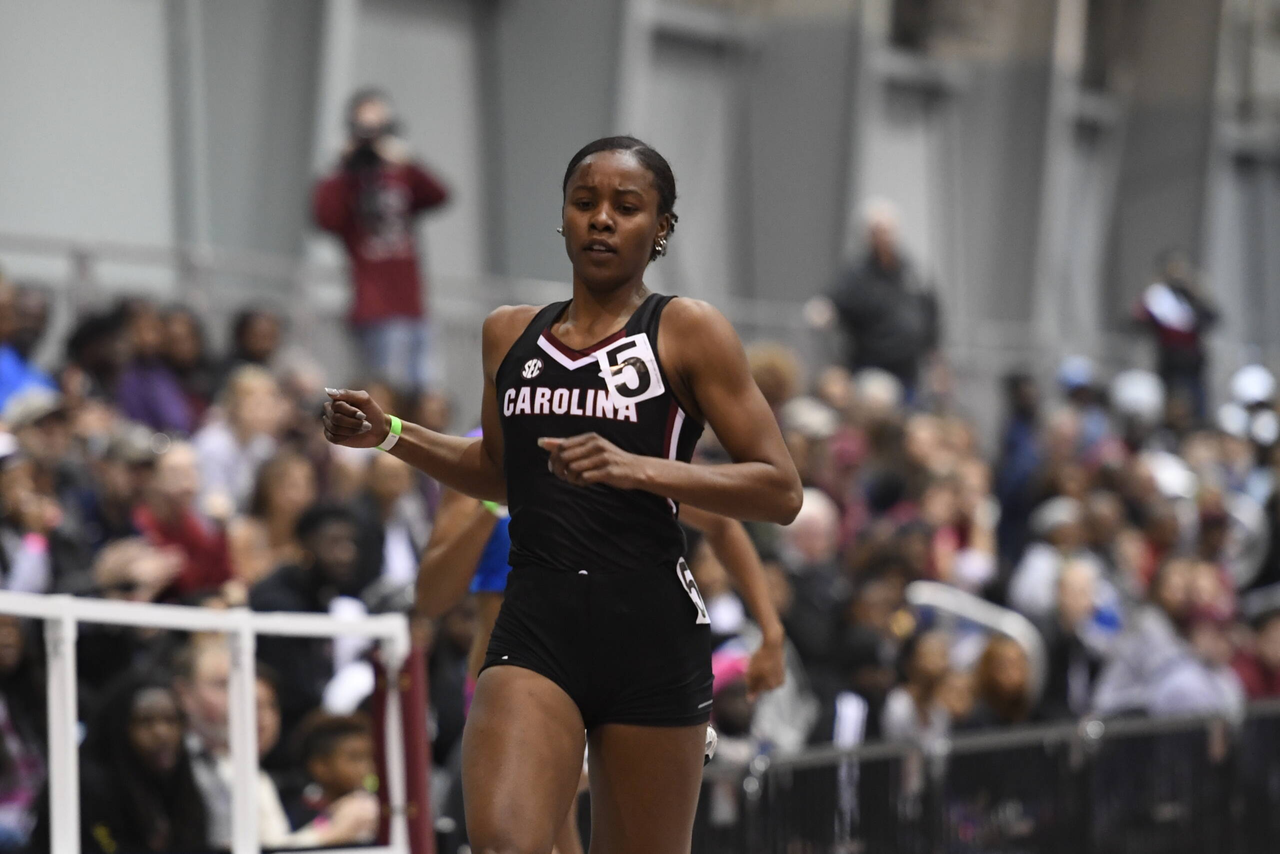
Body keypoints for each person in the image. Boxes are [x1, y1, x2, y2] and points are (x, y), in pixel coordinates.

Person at [323, 135, 801, 854]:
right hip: (537, 620)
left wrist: (638, 469)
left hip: (652, 631)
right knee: (505, 842)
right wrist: (391, 434)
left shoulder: (687, 330)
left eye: (626, 206)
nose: (601, 219)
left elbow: (780, 490)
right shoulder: (508, 333)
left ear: (661, 227)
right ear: (564, 219)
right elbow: (496, 473)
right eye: (585, 204)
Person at [415, 440, 788, 853]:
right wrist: (494, 501)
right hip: (520, 667)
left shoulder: (611, 441)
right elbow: (432, 597)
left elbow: (721, 524)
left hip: (626, 669)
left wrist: (771, 632)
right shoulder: (480, 454)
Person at [313, 88, 450, 392]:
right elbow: (324, 218)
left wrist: (407, 160)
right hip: (373, 305)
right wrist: (342, 168)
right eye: (366, 129)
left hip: (414, 303)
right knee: (387, 393)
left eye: (380, 128)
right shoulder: (346, 181)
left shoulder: (401, 173)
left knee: (426, 392)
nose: (373, 138)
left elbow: (441, 195)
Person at [28, 673, 209, 853]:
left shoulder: (180, 785)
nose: (161, 733)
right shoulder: (84, 787)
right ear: (118, 728)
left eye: (170, 720)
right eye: (145, 722)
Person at [819, 199, 939, 395]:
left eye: (888, 230)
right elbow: (832, 301)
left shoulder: (913, 272)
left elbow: (932, 316)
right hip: (870, 369)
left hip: (909, 371)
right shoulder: (856, 275)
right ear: (868, 235)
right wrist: (824, 309)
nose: (885, 237)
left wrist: (936, 362)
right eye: (879, 231)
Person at [286, 713, 378, 843]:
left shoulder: (378, 810)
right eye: (355, 758)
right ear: (320, 766)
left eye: (370, 758)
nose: (367, 767)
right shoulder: (298, 814)